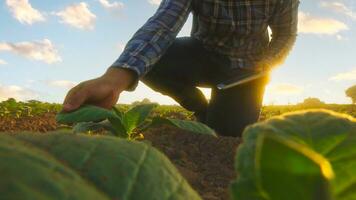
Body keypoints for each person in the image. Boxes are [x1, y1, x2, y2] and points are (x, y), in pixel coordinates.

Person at [62, 0, 299, 137]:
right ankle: (201, 109)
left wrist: (269, 61)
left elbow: (285, 34)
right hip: (204, 52)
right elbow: (163, 25)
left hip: (247, 69)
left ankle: (221, 115)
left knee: (223, 137)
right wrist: (115, 79)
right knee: (153, 61)